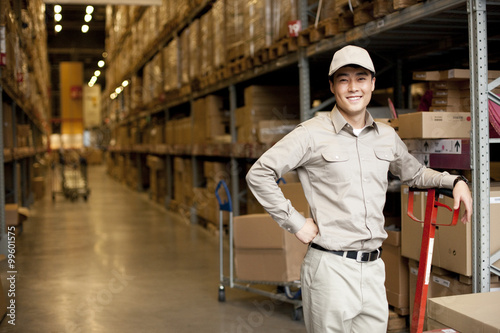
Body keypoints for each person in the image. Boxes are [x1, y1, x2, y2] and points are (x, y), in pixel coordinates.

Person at [245, 45, 473, 333]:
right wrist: (296, 223)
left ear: (373, 83)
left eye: (361, 78)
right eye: (343, 79)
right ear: (332, 86)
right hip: (331, 268)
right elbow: (259, 173)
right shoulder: (312, 134)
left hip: (374, 268)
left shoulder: (386, 136)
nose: (353, 87)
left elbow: (414, 174)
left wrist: (454, 181)